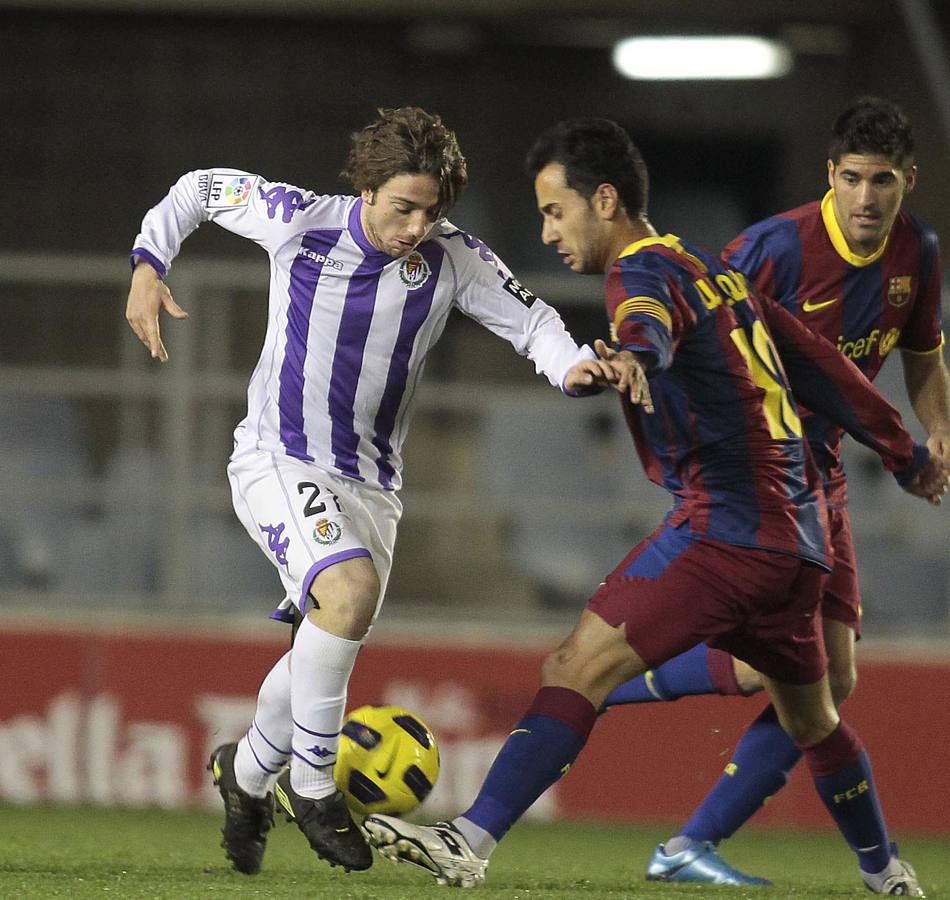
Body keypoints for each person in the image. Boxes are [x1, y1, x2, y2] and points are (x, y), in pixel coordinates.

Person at [361, 118, 945, 896]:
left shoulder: (638, 271)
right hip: (802, 544)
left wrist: (636, 353)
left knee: (575, 665)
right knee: (813, 718)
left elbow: (646, 324)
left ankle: (467, 842)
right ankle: (887, 873)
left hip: (725, 530)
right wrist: (907, 456)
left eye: (554, 211)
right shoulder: (714, 272)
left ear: (604, 200)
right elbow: (822, 368)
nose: (548, 231)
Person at [124, 107, 619, 876]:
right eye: (404, 207)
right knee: (345, 596)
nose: (419, 226)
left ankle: (245, 775)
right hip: (276, 459)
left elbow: (532, 322)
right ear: (366, 187)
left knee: (321, 641)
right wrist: (149, 265)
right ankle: (316, 789)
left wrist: (572, 366)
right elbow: (195, 190)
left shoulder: (454, 258)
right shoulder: (298, 220)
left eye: (433, 211)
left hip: (373, 487)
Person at [600, 97, 950, 887]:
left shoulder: (916, 253)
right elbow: (692, 324)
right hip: (757, 469)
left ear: (908, 182)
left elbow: (925, 357)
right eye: (852, 178)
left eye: (883, 180)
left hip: (819, 470)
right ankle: (624, 705)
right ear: (831, 175)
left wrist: (940, 429)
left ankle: (666, 795)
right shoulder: (772, 249)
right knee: (811, 680)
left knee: (826, 677)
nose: (866, 197)